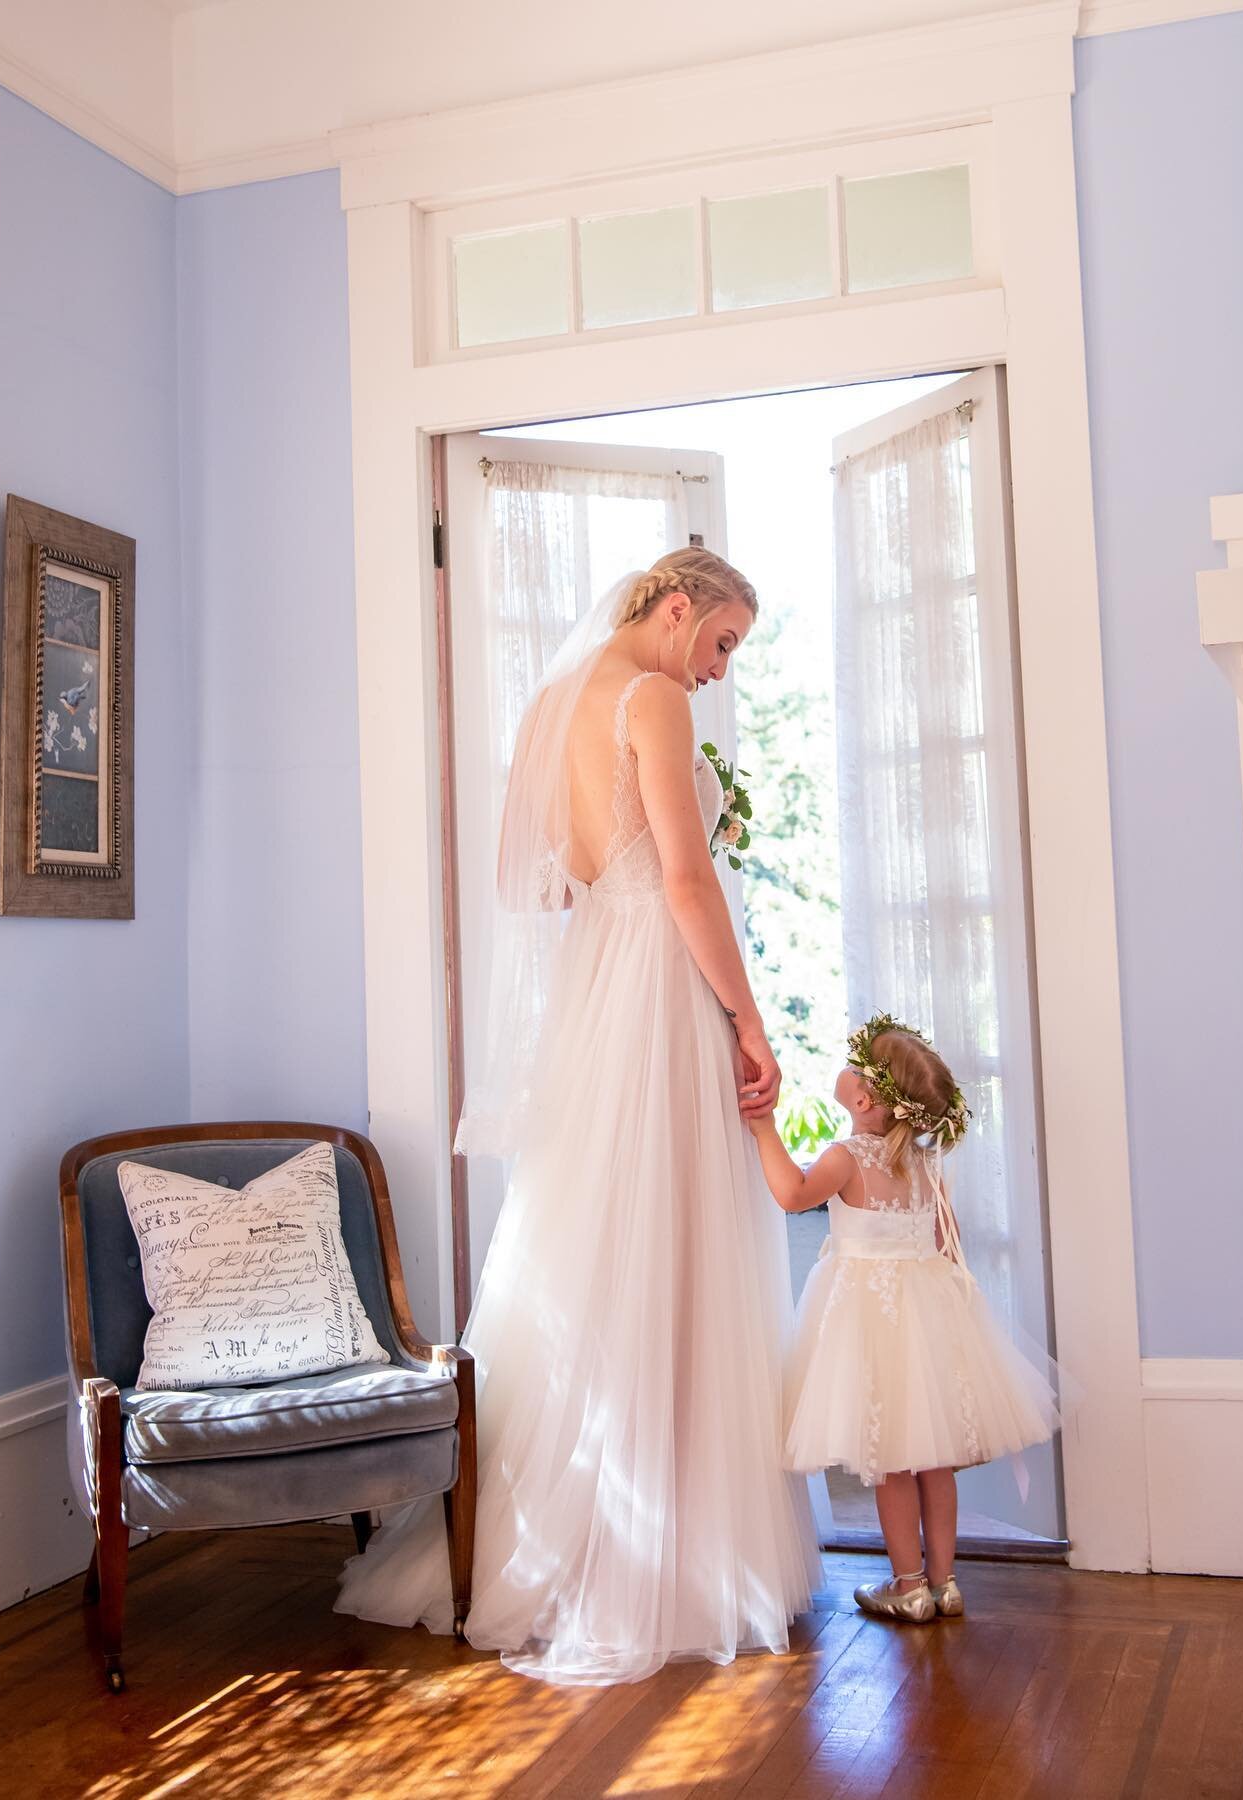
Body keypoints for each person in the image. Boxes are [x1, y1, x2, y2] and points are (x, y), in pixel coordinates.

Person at [337, 549, 821, 1682]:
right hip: (657, 984)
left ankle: (586, 1534)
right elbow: (692, 886)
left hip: (599, 986)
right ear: (675, 607)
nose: (718, 671)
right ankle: (665, 1551)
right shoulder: (649, 697)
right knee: (671, 1247)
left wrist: (619, 878)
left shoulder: (552, 709)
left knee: (593, 1249)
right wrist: (753, 1025)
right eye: (723, 643)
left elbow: (534, 887)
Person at [748, 1013, 1059, 1623]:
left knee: (890, 1459)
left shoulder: (848, 1156)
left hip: (868, 1317)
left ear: (864, 1096)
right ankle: (946, 1583)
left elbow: (791, 1194)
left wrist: (764, 1131)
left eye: (857, 1064)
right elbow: (948, 1240)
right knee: (934, 1458)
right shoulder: (925, 1165)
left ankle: (907, 1583)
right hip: (929, 1313)